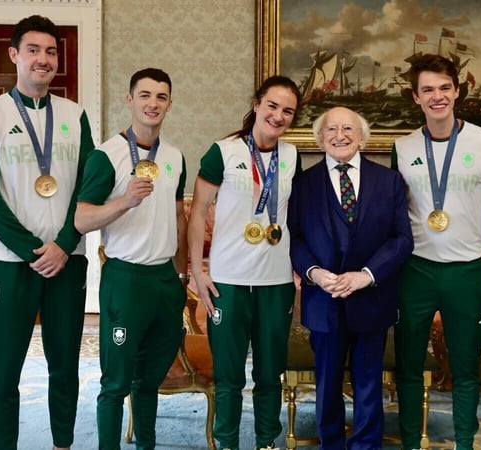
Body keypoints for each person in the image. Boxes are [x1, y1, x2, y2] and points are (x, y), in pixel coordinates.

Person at [0, 14, 94, 450]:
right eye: (34, 50)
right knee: (3, 372)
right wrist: (34, 249)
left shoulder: (76, 117)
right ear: (14, 55)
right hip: (10, 263)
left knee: (64, 367)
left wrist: (64, 245)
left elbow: (86, 188)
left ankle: (62, 444)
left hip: (67, 261)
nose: (44, 59)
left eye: (52, 51)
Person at [392, 54, 481, 450]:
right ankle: (411, 440)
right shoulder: (402, 146)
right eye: (428, 89)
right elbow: (396, 212)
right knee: (409, 367)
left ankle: (465, 442)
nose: (437, 96)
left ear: (457, 91)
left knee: (465, 368)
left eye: (445, 87)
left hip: (466, 272)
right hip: (416, 271)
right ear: (416, 97)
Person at [74, 67, 188, 449]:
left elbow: (177, 216)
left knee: (149, 379)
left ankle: (146, 445)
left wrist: (182, 275)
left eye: (161, 97)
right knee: (116, 382)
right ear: (130, 100)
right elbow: (81, 218)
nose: (153, 103)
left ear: (169, 103)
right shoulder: (105, 156)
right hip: (125, 279)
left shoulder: (174, 156)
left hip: (164, 281)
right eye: (145, 95)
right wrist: (125, 200)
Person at [288, 107, 413, 449]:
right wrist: (313, 273)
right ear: (319, 137)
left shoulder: (388, 180)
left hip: (371, 296)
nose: (339, 135)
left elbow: (402, 239)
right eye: (331, 129)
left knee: (368, 380)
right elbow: (294, 236)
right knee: (326, 381)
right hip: (323, 298)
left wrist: (366, 275)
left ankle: (366, 444)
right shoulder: (302, 184)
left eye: (347, 129)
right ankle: (330, 443)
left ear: (361, 137)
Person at [188, 75, 302, 450]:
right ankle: (227, 442)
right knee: (229, 374)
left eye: (288, 110)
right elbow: (198, 211)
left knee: (271, 372)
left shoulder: (292, 156)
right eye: (272, 106)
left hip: (276, 280)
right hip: (228, 280)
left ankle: (266, 441)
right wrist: (197, 271)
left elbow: (294, 216)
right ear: (256, 104)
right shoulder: (222, 152)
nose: (278, 115)